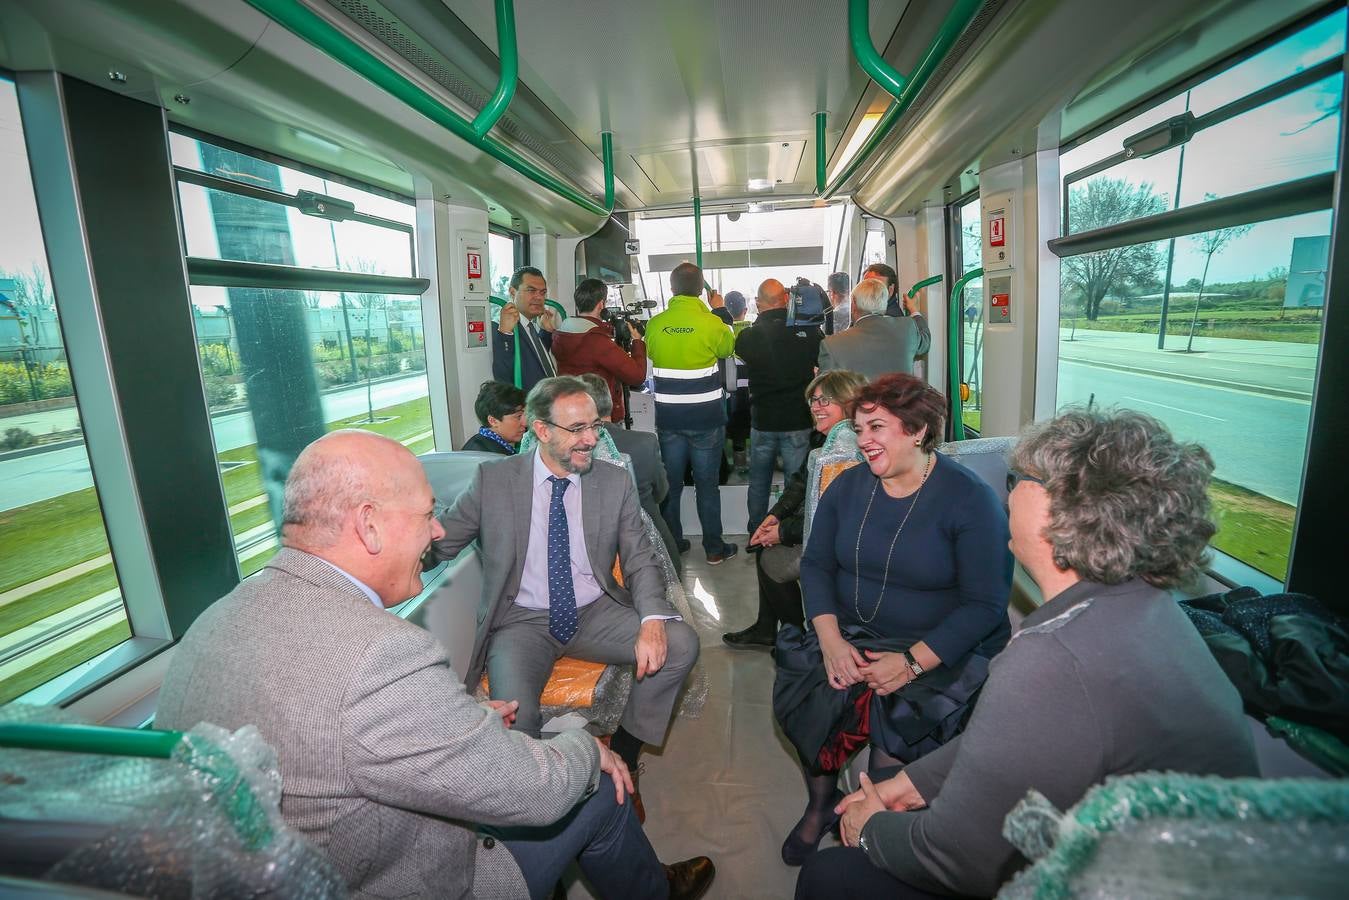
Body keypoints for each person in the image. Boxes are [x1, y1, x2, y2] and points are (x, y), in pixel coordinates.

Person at [155, 429, 714, 900]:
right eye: (427, 513)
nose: (440, 530)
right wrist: (586, 749)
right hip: (414, 880)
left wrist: (455, 720)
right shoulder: (382, 655)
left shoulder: (215, 620)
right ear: (368, 524)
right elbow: (531, 791)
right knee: (598, 791)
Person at [799, 410, 1261, 899]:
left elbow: (957, 861)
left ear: (1060, 511)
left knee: (829, 876)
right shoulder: (1141, 607)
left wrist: (870, 827)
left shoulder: (1052, 658)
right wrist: (911, 783)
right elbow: (1009, 748)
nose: (1007, 491)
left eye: (1019, 479)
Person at [431, 376, 702, 822]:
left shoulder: (613, 481)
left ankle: (626, 754)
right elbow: (441, 543)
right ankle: (549, 810)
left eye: (594, 426)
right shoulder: (494, 481)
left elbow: (640, 558)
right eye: (577, 429)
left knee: (682, 643)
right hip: (522, 622)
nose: (592, 439)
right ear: (541, 430)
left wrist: (653, 619)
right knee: (516, 722)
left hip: (595, 612)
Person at [775, 373, 1012, 867]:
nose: (863, 441)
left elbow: (985, 605)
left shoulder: (969, 501)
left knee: (902, 715)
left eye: (877, 428)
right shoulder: (849, 487)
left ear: (918, 430)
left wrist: (911, 662)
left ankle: (877, 827)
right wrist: (831, 640)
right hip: (853, 632)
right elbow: (817, 564)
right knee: (815, 696)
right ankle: (819, 809)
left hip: (937, 643)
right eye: (859, 429)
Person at [724, 369, 868, 649]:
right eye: (813, 401)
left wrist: (782, 532)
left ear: (848, 401)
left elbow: (831, 519)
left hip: (843, 544)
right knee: (762, 546)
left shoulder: (846, 447)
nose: (816, 407)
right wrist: (774, 516)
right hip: (823, 531)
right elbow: (800, 484)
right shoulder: (827, 440)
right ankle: (767, 629)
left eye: (825, 401)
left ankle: (796, 639)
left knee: (771, 562)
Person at [644, 262, 738, 564]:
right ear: (701, 290)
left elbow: (650, 354)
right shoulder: (712, 324)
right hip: (706, 420)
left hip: (669, 420)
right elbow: (727, 350)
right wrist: (720, 312)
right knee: (707, 486)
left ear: (672, 289)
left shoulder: (655, 324)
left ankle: (674, 544)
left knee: (670, 484)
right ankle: (713, 548)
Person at [735, 278, 823, 534]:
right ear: (786, 300)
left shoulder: (748, 337)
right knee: (794, 486)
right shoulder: (808, 335)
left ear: (758, 304)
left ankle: (756, 532)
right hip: (798, 420)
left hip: (762, 421)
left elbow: (741, 352)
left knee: (758, 483)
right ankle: (784, 534)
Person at [577, 372, 682, 572]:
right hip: (652, 544)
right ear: (611, 402)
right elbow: (661, 492)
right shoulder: (645, 442)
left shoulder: (567, 450)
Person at [552, 277, 648, 424]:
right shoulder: (597, 340)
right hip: (599, 415)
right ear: (601, 304)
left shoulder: (561, 334)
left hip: (570, 411)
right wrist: (637, 342)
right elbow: (637, 376)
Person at [817, 278, 931, 379]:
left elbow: (826, 390)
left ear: (853, 304)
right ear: (884, 302)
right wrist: (914, 310)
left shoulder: (831, 345)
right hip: (899, 402)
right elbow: (925, 341)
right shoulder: (907, 327)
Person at [494, 266, 558, 392]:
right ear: (513, 292)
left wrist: (546, 332)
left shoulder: (530, 326)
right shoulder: (503, 330)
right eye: (531, 290)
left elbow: (534, 362)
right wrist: (505, 333)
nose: (539, 297)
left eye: (542, 292)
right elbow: (503, 374)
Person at [724, 290, 753, 473]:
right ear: (746, 309)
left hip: (726, 389)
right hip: (750, 390)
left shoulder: (721, 331)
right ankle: (742, 464)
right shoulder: (752, 331)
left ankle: (733, 464)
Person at [462, 380, 527, 455]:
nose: (525, 423)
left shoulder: (481, 444)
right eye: (518, 417)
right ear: (493, 421)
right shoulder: (490, 458)